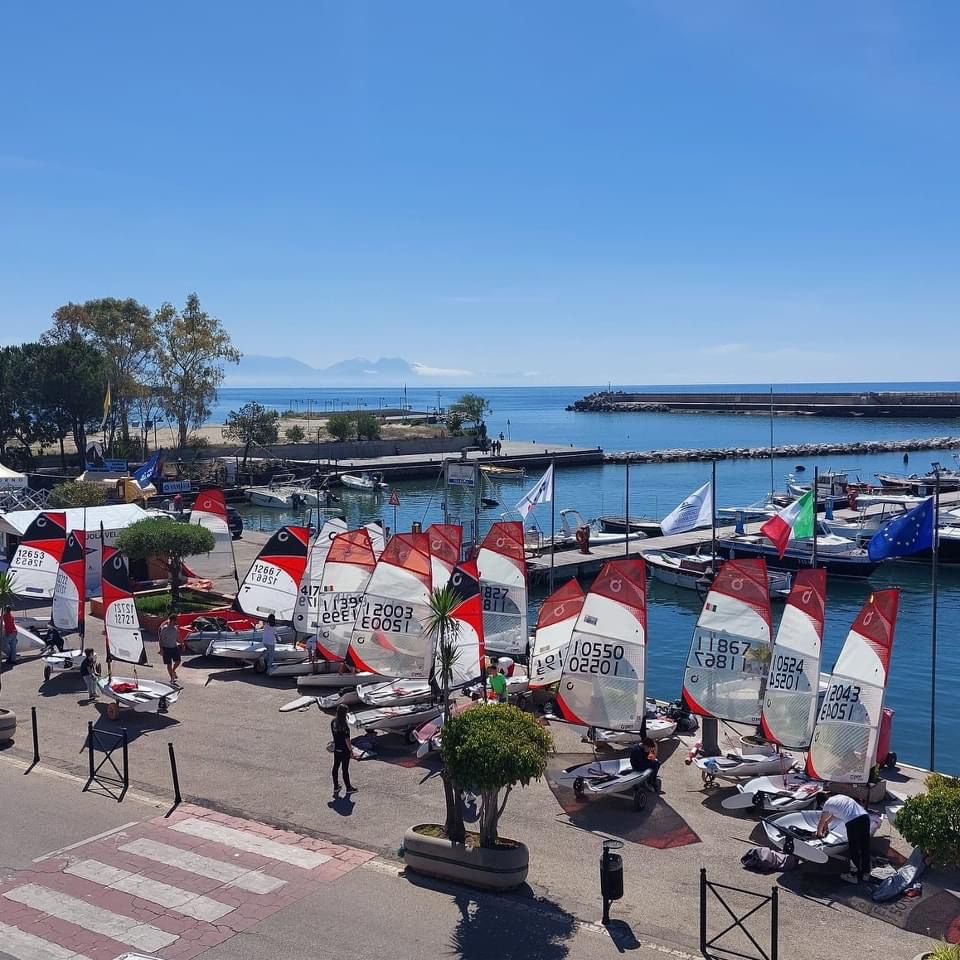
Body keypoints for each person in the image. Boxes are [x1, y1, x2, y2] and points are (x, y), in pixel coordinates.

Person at [817, 794, 871, 883]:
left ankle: (854, 876)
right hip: (865, 817)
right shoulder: (839, 797)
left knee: (854, 849)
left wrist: (819, 834)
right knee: (865, 847)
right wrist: (828, 822)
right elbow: (837, 813)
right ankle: (866, 874)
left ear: (821, 803)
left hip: (853, 822)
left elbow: (821, 822)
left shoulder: (826, 804)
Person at [331, 704, 357, 794]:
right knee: (345, 769)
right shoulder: (344, 726)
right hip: (344, 750)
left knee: (335, 767)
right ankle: (348, 788)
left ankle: (336, 786)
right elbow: (347, 740)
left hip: (337, 748)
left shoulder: (333, 722)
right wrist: (351, 751)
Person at [158, 614, 181, 685]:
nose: (176, 622)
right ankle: (172, 678)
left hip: (174, 647)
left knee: (178, 661)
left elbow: (177, 638)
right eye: (175, 621)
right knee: (169, 664)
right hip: (166, 648)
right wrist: (161, 649)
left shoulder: (175, 629)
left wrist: (182, 643)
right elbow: (161, 639)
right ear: (171, 621)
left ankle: (173, 671)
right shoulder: (164, 629)